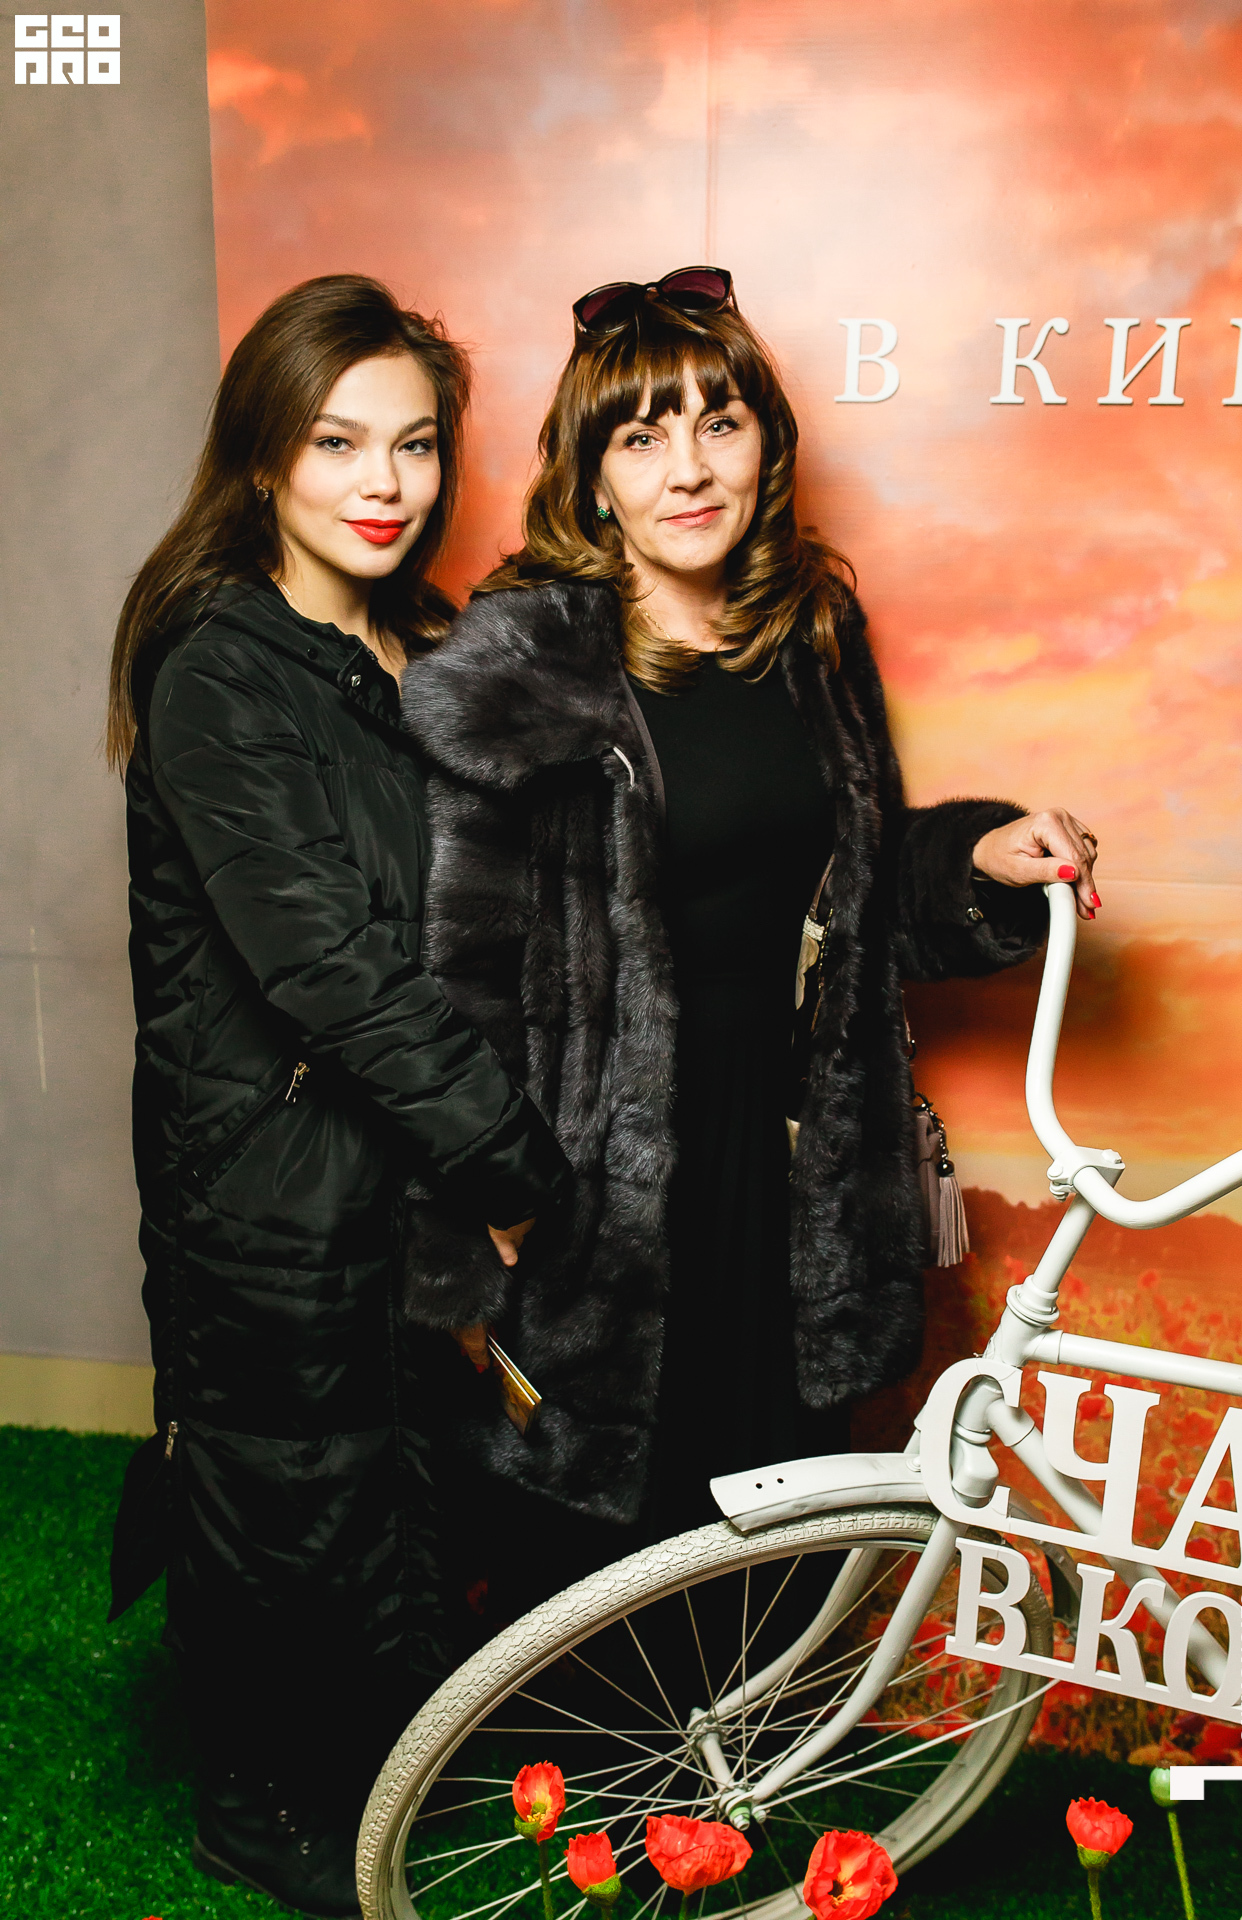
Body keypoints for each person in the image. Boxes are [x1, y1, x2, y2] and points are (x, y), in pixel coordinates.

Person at [398, 266, 1100, 1621]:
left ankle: (753, 1757)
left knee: (771, 1531)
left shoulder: (812, 633)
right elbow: (460, 967)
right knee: (595, 1557)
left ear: (767, 442)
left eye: (719, 423)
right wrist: (476, 1204)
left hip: (789, 1167)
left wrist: (977, 860)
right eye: (641, 436)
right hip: (592, 1183)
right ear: (591, 475)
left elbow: (863, 892)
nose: (688, 469)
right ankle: (584, 1758)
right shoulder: (525, 669)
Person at [105, 274, 567, 1920]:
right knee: (285, 1472)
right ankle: (262, 1801)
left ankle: (373, 1749)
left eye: (416, 444)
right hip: (272, 1166)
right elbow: (333, 968)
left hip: (400, 1155)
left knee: (400, 1465)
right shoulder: (221, 672)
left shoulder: (424, 646)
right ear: (262, 459)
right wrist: (516, 1167)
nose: (385, 481)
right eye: (337, 442)